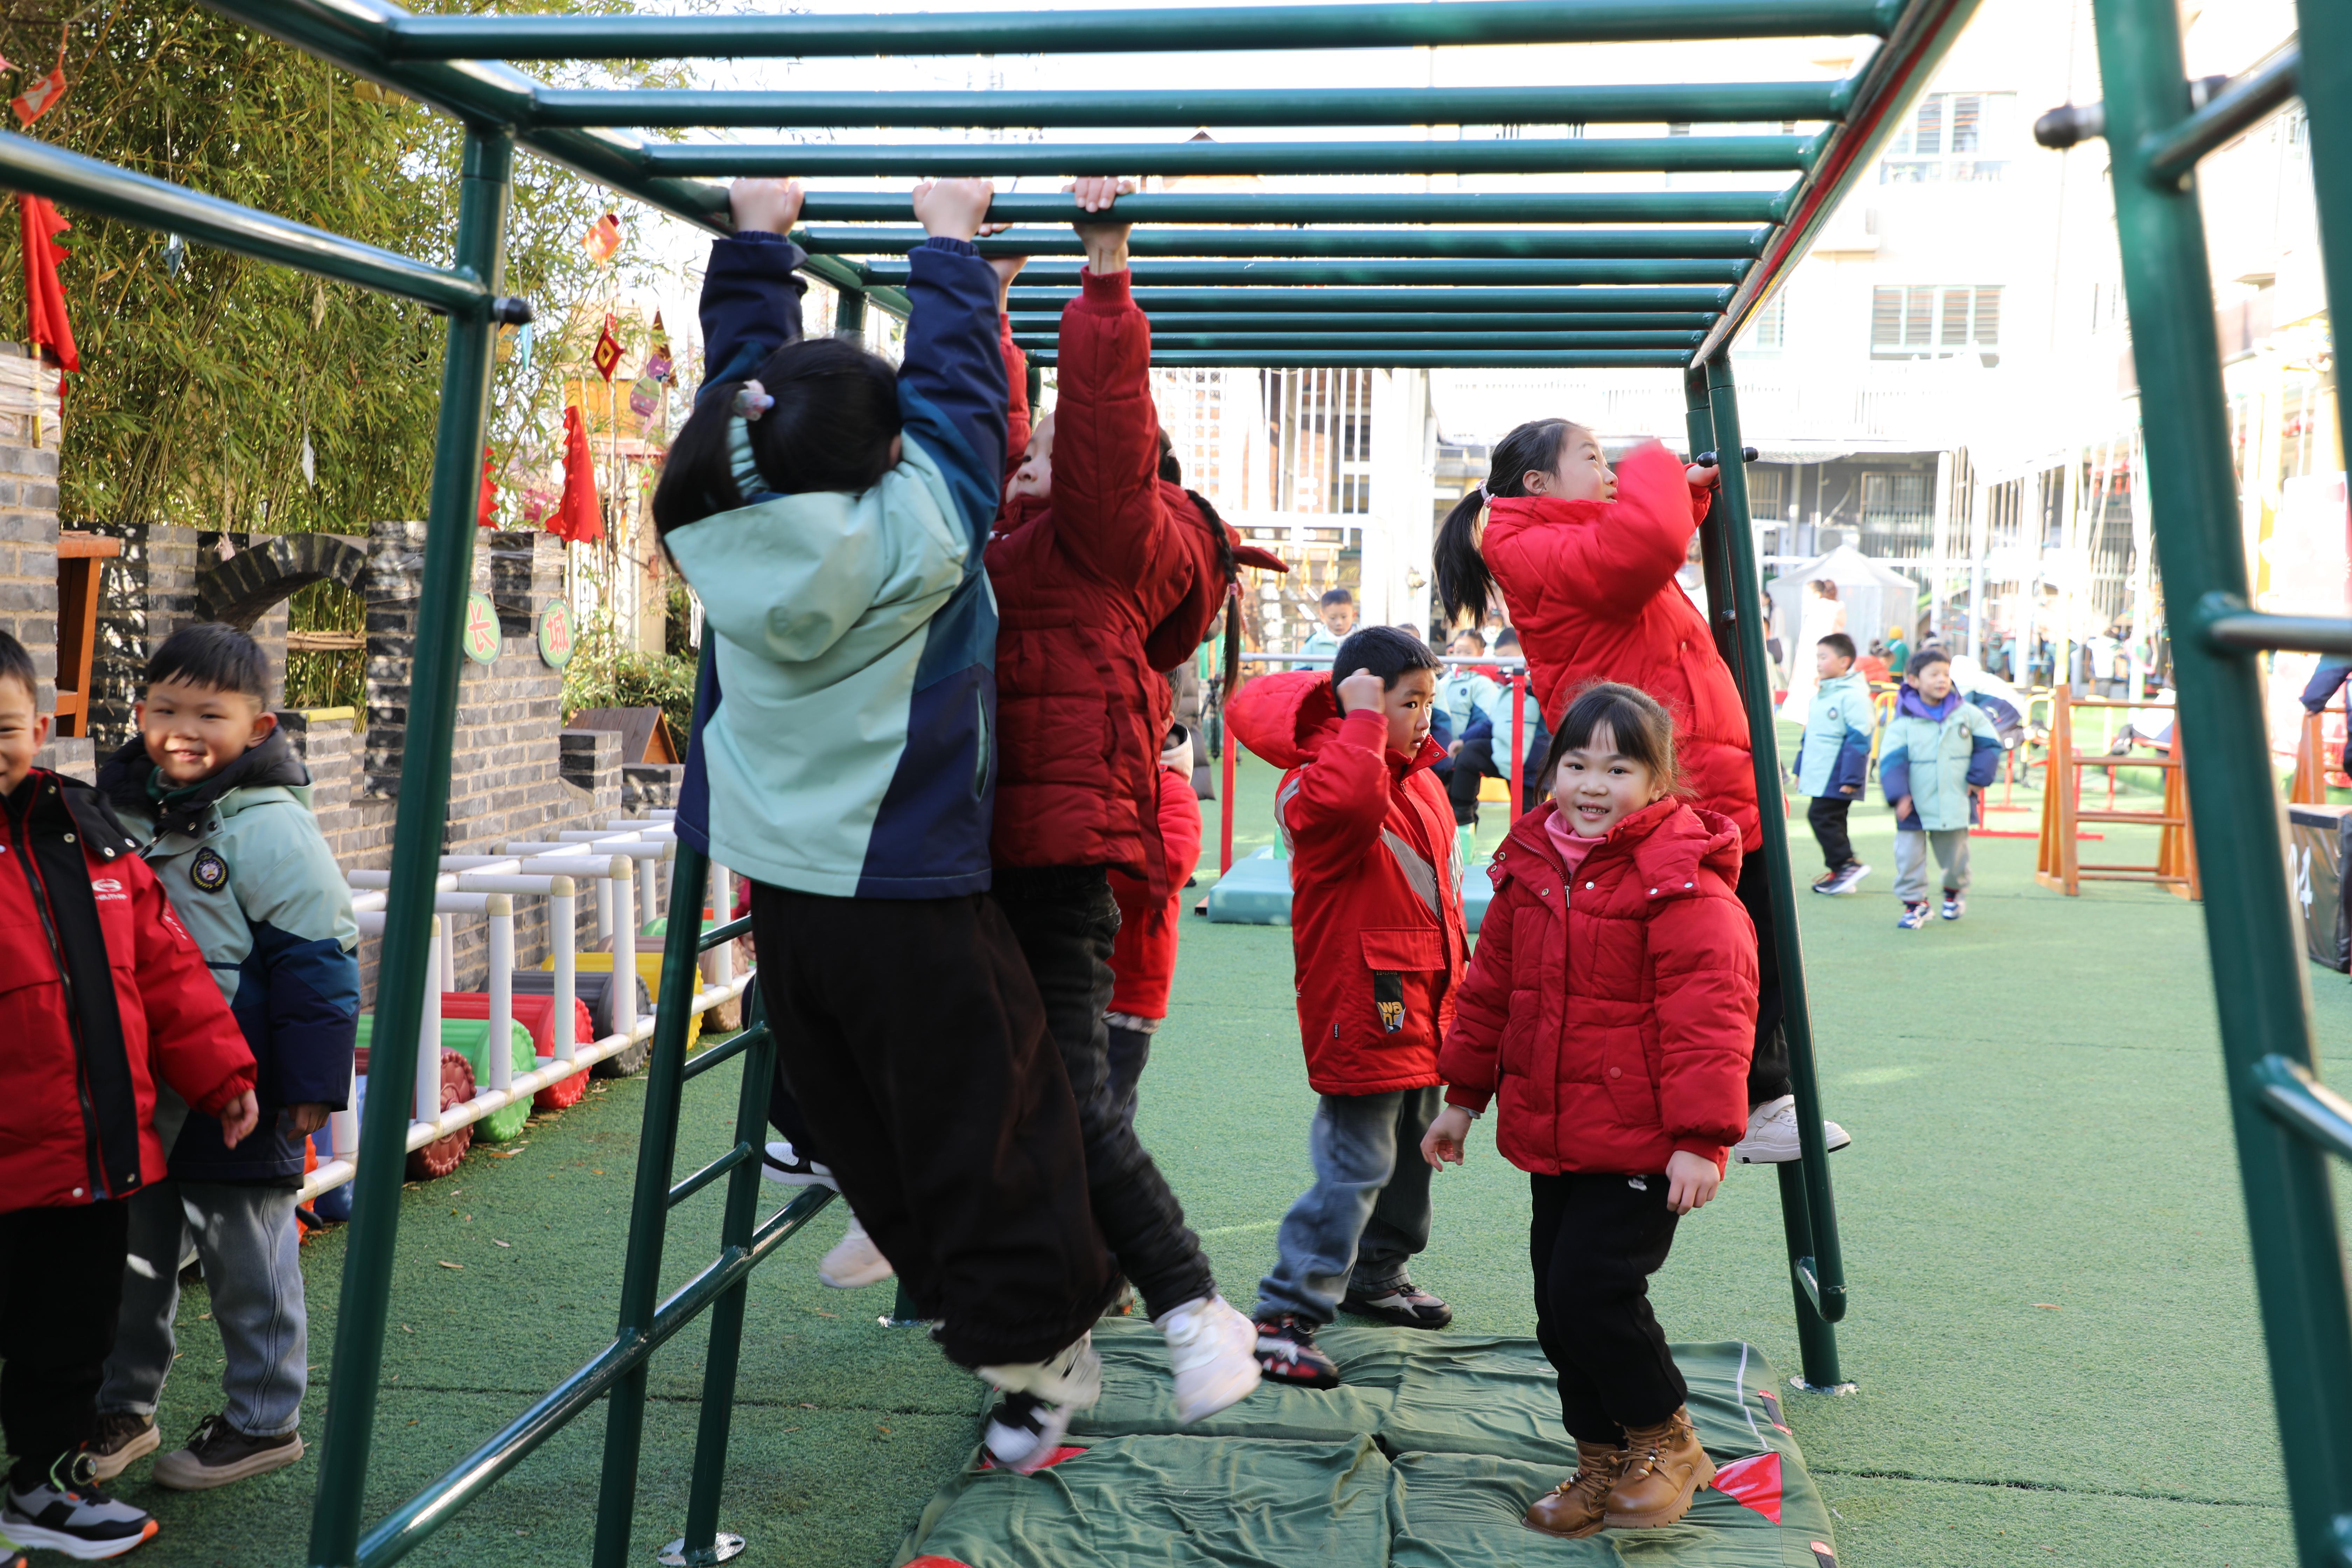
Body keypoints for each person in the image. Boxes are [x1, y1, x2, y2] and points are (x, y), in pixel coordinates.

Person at [653, 174, 1121, 1471]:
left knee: (871, 1123)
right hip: (906, 885)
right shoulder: (924, 526)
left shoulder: (712, 510)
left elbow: (740, 381)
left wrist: (766, 245)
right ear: (885, 449)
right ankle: (1035, 1348)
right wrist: (945, 248)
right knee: (1003, 1115)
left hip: (782, 890)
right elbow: (963, 401)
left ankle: (892, 1222)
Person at [977, 176, 1264, 1453]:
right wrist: (979, 306)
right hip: (977, 854)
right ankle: (1047, 1354)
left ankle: (1191, 1304)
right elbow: (986, 433)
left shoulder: (1099, 539)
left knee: (1071, 1111)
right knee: (1005, 1120)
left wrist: (1103, 270)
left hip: (1052, 860)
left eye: (1052, 450)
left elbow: (1090, 427)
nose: (1029, 454)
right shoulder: (1017, 534)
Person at [1430, 421, 1845, 1167]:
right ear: (1538, 483)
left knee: (1751, 939)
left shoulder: (1563, 537)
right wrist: (1655, 460)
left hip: (1689, 765)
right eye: (1591, 458)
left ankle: (1755, 1097)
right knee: (1727, 949)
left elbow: (1637, 546)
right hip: (1661, 776)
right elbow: (1642, 546)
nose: (1610, 471)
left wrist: (1683, 495)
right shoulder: (1531, 545)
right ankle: (1756, 1098)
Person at [1423, 682, 1756, 1538]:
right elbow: (1492, 990)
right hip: (1558, 1132)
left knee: (1592, 1290)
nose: (1593, 785)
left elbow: (1712, 1020)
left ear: (1658, 780)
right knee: (1557, 1305)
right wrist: (1463, 1098)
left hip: (1644, 1141)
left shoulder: (1681, 881)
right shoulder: (1534, 865)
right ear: (1552, 771)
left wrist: (1701, 1140)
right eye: (1577, 764)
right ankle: (1601, 1458)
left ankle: (1667, 1437)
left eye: (1618, 768)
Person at [78, 625, 358, 1493]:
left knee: (248, 1252)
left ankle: (265, 1418)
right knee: (132, 1250)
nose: (183, 731)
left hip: (243, 1082)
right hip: (138, 1081)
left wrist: (309, 1084)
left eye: (210, 714)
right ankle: (124, 1405)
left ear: (258, 726)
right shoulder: (115, 809)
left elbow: (321, 956)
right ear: (139, 712)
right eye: (166, 709)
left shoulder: (268, 826)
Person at [0, 628, 261, 1559]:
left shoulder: (90, 837)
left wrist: (223, 1075)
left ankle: (42, 1489)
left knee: (71, 1338)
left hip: (91, 1158)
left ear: (39, 729)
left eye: (3, 729)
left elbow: (169, 972)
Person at [1228, 626, 1466, 1388]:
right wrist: (1361, 719)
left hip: (1423, 999)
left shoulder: (1421, 781)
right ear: (1358, 699)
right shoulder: (1315, 783)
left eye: (1429, 700)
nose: (1425, 717)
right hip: (1364, 1005)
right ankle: (1284, 1315)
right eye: (1408, 702)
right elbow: (1351, 806)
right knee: (1356, 1162)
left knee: (1413, 1149)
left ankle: (1377, 1271)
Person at [1104, 720, 1205, 1126]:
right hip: (1070, 973)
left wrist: (1088, 858)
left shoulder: (1171, 788)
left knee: (1107, 1109)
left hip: (1128, 985)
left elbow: (1168, 867)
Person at [1878, 649, 2000, 929]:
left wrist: (1977, 779)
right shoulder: (1903, 722)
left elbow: (1990, 746)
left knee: (1956, 859)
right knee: (1908, 857)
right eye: (1933, 674)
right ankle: (1915, 904)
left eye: (1946, 674)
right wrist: (1899, 795)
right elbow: (1892, 760)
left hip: (1954, 798)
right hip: (1914, 803)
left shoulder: (1967, 714)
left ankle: (1954, 894)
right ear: (1914, 680)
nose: (1942, 680)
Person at [1793, 632, 1873, 896]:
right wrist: (1801, 769)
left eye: (1824, 657)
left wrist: (1852, 778)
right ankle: (1843, 874)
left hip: (1838, 774)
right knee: (1834, 820)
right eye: (1818, 657)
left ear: (1844, 662)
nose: (1819, 663)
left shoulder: (1853, 696)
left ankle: (1845, 865)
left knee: (1821, 817)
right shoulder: (1822, 696)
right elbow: (1809, 737)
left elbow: (1860, 739)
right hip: (1822, 772)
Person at [1298, 588, 1357, 663]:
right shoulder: (1314, 643)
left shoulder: (1365, 641)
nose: (1339, 623)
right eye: (1333, 618)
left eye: (1344, 617)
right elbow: (1299, 668)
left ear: (1354, 615)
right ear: (1322, 617)